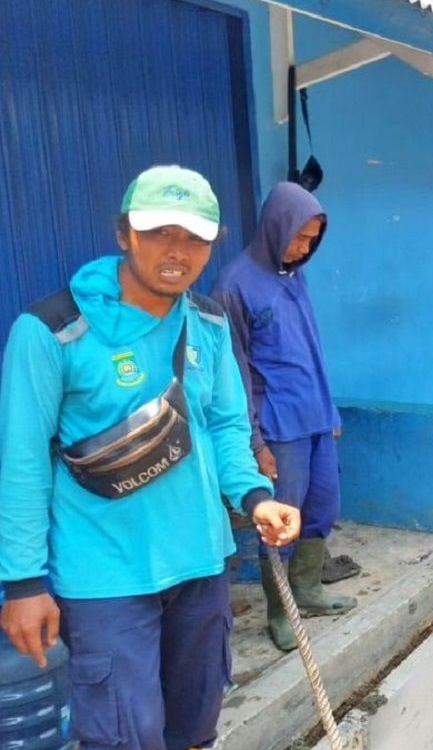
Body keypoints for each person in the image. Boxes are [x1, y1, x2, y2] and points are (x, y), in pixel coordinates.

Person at [0, 166, 299, 750]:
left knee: (195, 727)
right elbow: (22, 464)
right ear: (123, 235)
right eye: (159, 232)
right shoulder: (52, 331)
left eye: (194, 237)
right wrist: (23, 583)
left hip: (201, 564)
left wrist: (255, 497)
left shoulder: (209, 323)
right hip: (104, 577)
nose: (177, 251)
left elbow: (225, 427)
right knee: (123, 735)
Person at [212, 182, 355, 652]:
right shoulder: (234, 285)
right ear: (275, 226)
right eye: (299, 236)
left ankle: (309, 589)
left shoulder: (295, 276)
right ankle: (280, 610)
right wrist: (255, 442)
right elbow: (233, 372)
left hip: (315, 420)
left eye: (313, 239)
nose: (304, 247)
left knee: (322, 509)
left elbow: (311, 352)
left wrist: (329, 410)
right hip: (277, 428)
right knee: (281, 521)